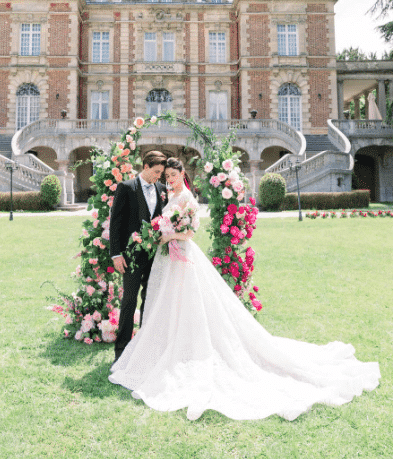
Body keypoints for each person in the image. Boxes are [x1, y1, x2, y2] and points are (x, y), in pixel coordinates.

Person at [109, 157, 380, 421]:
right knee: (161, 302)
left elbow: (190, 232)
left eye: (172, 175)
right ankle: (156, 345)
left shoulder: (187, 199)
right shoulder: (164, 195)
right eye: (165, 176)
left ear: (182, 175)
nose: (167, 179)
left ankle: (183, 350)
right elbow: (135, 220)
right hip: (164, 259)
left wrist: (169, 234)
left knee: (185, 303)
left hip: (181, 254)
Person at [109, 149, 167, 364]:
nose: (158, 176)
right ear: (145, 167)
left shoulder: (161, 189)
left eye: (161, 173)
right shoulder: (126, 187)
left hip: (155, 256)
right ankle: (121, 350)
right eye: (156, 171)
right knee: (129, 301)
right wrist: (116, 255)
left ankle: (144, 346)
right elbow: (115, 223)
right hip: (130, 257)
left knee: (150, 300)